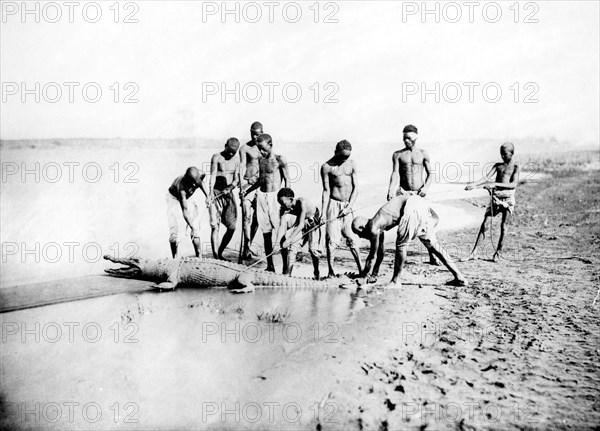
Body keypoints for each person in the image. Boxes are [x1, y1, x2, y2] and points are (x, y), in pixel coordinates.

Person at [351, 195, 468, 287]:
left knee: (401, 245)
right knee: (433, 246)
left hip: (411, 208)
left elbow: (372, 256)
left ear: (362, 227)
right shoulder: (378, 223)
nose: (361, 237)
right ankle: (460, 277)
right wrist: (374, 275)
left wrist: (363, 276)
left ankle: (396, 281)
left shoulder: (373, 227)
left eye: (358, 233)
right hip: (420, 206)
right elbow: (380, 253)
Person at [386, 124, 438, 265]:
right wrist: (391, 189)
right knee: (403, 223)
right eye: (404, 138)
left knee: (425, 224)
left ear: (415, 137)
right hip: (404, 193)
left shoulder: (423, 153)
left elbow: (430, 174)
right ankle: (402, 255)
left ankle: (432, 256)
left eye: (408, 138)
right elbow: (395, 173)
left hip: (419, 194)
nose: (406, 141)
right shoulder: (398, 154)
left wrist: (426, 188)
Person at [464, 142, 520, 262]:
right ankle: (474, 253)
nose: (502, 156)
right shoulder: (498, 166)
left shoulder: (515, 167)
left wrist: (494, 184)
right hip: (495, 198)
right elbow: (486, 178)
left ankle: (498, 253)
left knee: (504, 226)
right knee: (485, 224)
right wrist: (474, 185)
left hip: (508, 199)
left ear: (512, 153)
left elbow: (513, 184)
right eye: (501, 154)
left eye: (505, 154)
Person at [244, 134, 289, 272]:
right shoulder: (261, 160)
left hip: (275, 198)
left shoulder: (280, 160)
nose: (261, 152)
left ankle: (286, 268)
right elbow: (260, 180)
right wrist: (247, 190)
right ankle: (270, 266)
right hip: (262, 197)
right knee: (266, 233)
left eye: (263, 149)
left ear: (271, 145)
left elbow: (287, 180)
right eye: (259, 149)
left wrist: (287, 201)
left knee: (281, 233)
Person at [321, 140, 362, 277]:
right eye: (343, 156)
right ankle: (331, 272)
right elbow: (326, 191)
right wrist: (323, 213)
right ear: (336, 152)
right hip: (333, 205)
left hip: (348, 206)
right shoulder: (327, 167)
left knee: (352, 239)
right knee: (332, 241)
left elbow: (356, 187)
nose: (345, 159)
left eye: (347, 157)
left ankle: (362, 270)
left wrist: (349, 207)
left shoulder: (352, 164)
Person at [274, 188, 322, 278]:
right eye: (280, 203)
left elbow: (300, 226)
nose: (282, 206)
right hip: (301, 221)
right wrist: (277, 243)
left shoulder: (302, 203)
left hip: (313, 220)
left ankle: (316, 272)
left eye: (283, 203)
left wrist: (289, 239)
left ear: (291, 200)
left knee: (313, 250)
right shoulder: (283, 208)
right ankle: (287, 274)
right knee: (292, 247)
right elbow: (282, 226)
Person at [208, 138, 240, 260]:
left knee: (232, 227)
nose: (231, 154)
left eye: (234, 152)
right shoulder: (216, 157)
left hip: (228, 195)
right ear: (225, 146)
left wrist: (231, 187)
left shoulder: (237, 160)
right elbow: (212, 177)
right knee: (215, 226)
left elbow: (237, 179)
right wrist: (210, 194)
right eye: (229, 151)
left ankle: (220, 252)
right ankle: (216, 256)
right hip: (216, 194)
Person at [166, 166, 208, 258]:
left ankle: (199, 255)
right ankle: (175, 257)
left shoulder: (200, 175)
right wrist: (191, 226)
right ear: (187, 180)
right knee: (175, 229)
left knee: (196, 225)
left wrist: (207, 196)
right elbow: (185, 211)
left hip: (188, 198)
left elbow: (201, 183)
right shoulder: (181, 188)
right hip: (174, 199)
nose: (194, 185)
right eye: (192, 183)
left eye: (195, 182)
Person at [239, 121, 263, 259]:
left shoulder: (264, 146)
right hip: (247, 185)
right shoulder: (244, 148)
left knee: (258, 218)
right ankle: (245, 249)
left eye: (258, 135)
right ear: (250, 133)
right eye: (253, 134)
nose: (255, 137)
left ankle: (249, 246)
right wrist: (242, 183)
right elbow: (242, 165)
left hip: (261, 186)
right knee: (246, 217)